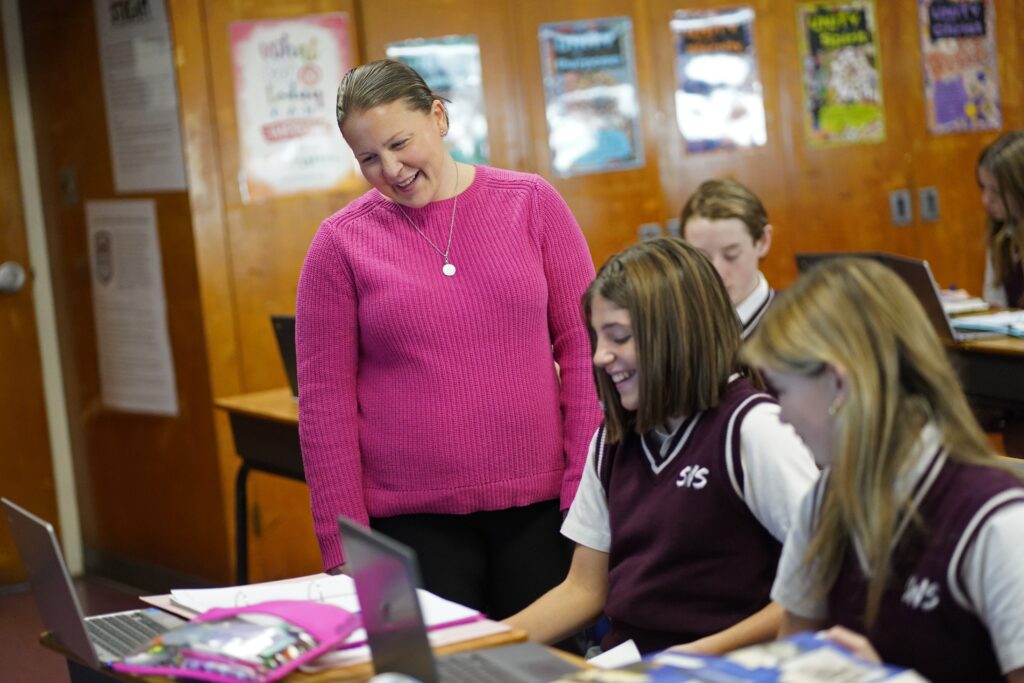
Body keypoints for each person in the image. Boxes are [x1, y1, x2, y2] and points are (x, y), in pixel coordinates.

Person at [295, 59, 603, 620]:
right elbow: (324, 404)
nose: (390, 169)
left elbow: (586, 351)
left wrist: (586, 491)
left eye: (398, 143)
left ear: (438, 117)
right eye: (368, 158)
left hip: (543, 510)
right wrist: (342, 543)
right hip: (409, 525)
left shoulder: (531, 204)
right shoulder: (339, 244)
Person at [505, 237, 818, 655]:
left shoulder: (754, 430)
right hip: (632, 663)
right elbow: (582, 589)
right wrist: (476, 644)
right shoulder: (613, 438)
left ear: (676, 335)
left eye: (618, 338)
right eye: (597, 339)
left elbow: (821, 585)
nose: (600, 357)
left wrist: (681, 661)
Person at [742, 258, 1024, 683]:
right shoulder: (826, 498)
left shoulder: (997, 524)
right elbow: (792, 659)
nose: (780, 415)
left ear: (840, 383)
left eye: (782, 390)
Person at [680, 178, 774, 338]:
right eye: (702, 258)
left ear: (763, 242)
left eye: (731, 255)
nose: (717, 273)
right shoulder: (681, 328)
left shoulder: (800, 325)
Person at [978, 131, 1024, 307]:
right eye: (983, 188)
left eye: (996, 191)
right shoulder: (1001, 233)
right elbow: (996, 301)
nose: (986, 200)